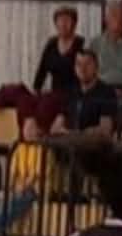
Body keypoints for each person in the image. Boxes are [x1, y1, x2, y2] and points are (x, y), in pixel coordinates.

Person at [20, 7, 86, 140]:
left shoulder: (80, 43)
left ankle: (44, 135)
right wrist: (36, 89)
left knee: (52, 106)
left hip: (74, 91)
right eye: (60, 21)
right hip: (55, 90)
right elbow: (42, 69)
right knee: (28, 101)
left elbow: (85, 69)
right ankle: (32, 134)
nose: (63, 24)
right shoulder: (51, 44)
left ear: (74, 24)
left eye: (67, 20)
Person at [50, 50, 117, 136]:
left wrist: (81, 134)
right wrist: (63, 131)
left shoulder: (106, 92)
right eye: (79, 64)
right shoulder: (70, 92)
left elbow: (105, 129)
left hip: (93, 142)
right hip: (69, 140)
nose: (82, 68)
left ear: (96, 67)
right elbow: (55, 127)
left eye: (87, 64)